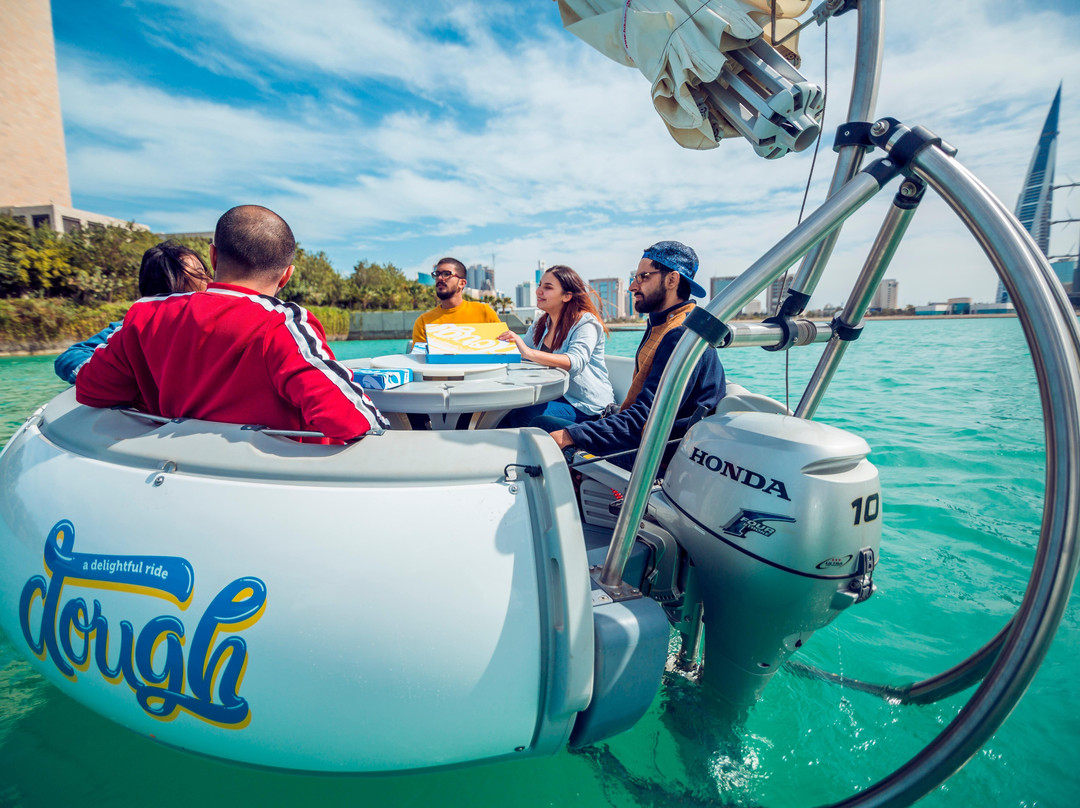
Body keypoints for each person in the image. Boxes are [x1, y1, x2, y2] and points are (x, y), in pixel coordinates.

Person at [76, 205, 387, 441]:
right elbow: (353, 420)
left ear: (212, 257)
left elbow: (91, 390)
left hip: (178, 474)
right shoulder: (281, 322)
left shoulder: (145, 314)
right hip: (270, 483)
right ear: (286, 276)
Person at [547, 241, 724, 469]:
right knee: (546, 423)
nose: (632, 286)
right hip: (646, 439)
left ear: (672, 280)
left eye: (643, 277)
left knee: (545, 429)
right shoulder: (666, 323)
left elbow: (643, 419)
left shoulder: (680, 335)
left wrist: (571, 436)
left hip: (655, 456)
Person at [54, 240, 213, 384]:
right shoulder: (131, 328)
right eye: (199, 273)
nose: (209, 280)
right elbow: (70, 357)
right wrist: (126, 376)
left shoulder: (214, 319)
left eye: (205, 272)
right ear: (168, 285)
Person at [495, 265, 614, 428]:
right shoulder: (541, 322)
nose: (538, 291)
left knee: (524, 416)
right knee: (503, 410)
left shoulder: (586, 322)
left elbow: (575, 362)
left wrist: (529, 353)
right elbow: (521, 356)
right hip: (555, 395)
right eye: (539, 285)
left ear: (567, 296)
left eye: (548, 287)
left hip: (587, 406)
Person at [411, 257, 500, 344]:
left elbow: (502, 346)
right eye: (437, 274)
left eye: (446, 274)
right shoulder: (423, 322)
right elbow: (420, 354)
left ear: (462, 283)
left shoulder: (484, 312)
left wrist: (509, 338)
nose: (439, 278)